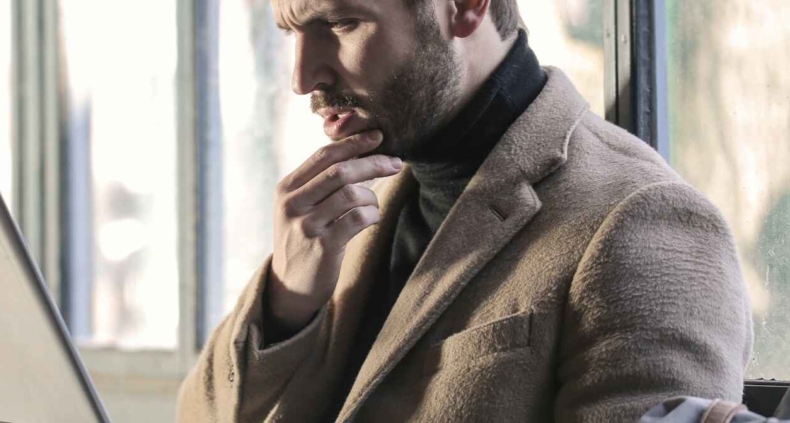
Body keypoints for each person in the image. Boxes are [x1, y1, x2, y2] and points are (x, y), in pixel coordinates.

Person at [177, 0, 753, 421]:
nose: (304, 76)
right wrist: (286, 303)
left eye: (341, 22)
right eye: (292, 31)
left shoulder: (644, 221)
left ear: (466, 7)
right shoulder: (347, 202)